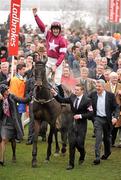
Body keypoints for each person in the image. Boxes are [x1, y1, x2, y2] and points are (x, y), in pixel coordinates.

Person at [51, 84, 93, 170]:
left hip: (81, 125)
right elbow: (62, 100)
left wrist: (81, 116)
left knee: (79, 144)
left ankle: (82, 153)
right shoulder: (72, 97)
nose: (75, 91)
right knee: (72, 144)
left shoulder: (87, 100)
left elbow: (91, 113)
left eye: (77, 90)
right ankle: (71, 164)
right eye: (75, 89)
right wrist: (55, 94)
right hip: (72, 124)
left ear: (82, 91)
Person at [33, 8, 67, 94]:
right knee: (42, 78)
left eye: (57, 29)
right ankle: (36, 95)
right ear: (52, 29)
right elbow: (41, 26)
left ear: (59, 30)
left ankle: (62, 100)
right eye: (54, 29)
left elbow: (62, 55)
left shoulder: (62, 40)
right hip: (48, 61)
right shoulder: (48, 34)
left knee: (57, 82)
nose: (55, 30)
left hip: (58, 62)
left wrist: (56, 65)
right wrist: (35, 15)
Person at [89, 79, 119, 165]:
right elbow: (85, 99)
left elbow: (116, 107)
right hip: (98, 119)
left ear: (103, 87)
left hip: (108, 120)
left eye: (99, 86)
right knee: (98, 137)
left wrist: (115, 117)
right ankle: (97, 157)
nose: (97, 88)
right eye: (96, 86)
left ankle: (107, 152)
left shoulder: (110, 95)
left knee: (106, 138)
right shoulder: (93, 95)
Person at [0, 84, 31, 166]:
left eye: (8, 90)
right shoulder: (1, 99)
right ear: (2, 92)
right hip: (4, 122)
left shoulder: (12, 96)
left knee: (13, 140)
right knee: (3, 139)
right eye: (6, 90)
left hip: (13, 122)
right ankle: (1, 160)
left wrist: (30, 94)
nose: (8, 91)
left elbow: (23, 100)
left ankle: (14, 154)